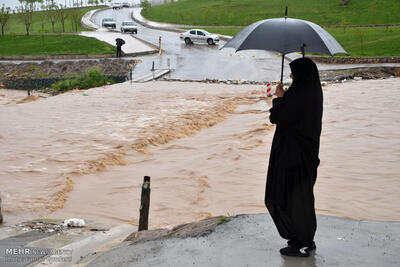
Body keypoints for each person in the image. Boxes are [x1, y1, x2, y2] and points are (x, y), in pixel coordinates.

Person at [265, 57, 323, 257]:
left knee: (291, 197)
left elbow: (277, 117)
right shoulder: (310, 92)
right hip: (303, 157)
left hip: (293, 158)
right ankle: (306, 238)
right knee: (302, 197)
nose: (290, 76)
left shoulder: (299, 95)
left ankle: (298, 242)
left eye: (293, 73)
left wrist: (280, 97)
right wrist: (286, 98)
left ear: (301, 75)